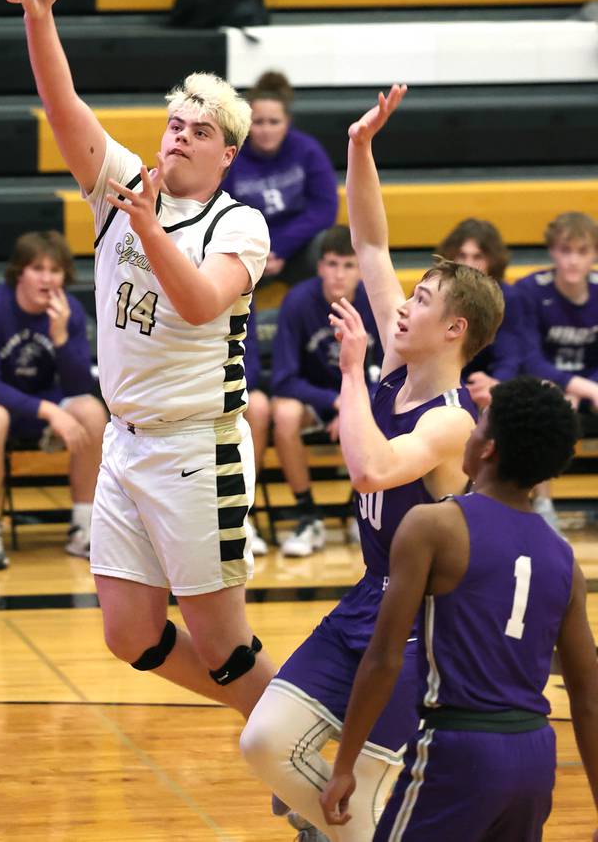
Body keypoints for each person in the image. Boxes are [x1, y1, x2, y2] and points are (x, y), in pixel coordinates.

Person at [0, 0, 277, 719]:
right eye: (174, 122)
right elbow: (65, 107)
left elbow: (197, 302)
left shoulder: (240, 223)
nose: (179, 135)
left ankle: (315, 760)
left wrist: (150, 227)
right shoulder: (123, 184)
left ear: (227, 152)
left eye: (199, 130)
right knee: (130, 635)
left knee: (224, 643)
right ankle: (277, 720)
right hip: (127, 442)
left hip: (198, 448)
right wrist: (41, 12)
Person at [239, 85, 505, 842]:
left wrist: (352, 372)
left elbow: (371, 470)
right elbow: (374, 246)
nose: (400, 302)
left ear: (452, 327)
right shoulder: (398, 355)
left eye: (419, 299)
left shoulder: (453, 419)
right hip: (368, 596)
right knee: (263, 742)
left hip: (424, 630)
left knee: (357, 800)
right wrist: (359, 148)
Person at [321, 376, 598, 842]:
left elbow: (384, 657)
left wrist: (345, 764)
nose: (469, 432)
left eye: (479, 424)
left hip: (458, 747)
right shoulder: (564, 559)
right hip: (535, 755)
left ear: (487, 449)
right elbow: (588, 700)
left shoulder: (433, 525)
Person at [0, 231, 107, 569]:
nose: (47, 278)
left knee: (91, 412)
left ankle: (84, 527)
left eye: (56, 270)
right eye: (37, 268)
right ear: (20, 272)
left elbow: (78, 386)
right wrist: (48, 411)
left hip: (34, 398)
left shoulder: (69, 311)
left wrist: (60, 337)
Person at [270, 225, 382, 558]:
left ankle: (361, 512)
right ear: (320, 267)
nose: (338, 274)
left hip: (362, 399)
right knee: (284, 414)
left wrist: (354, 407)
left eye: (348, 265)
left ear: (361, 269)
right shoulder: (298, 301)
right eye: (332, 264)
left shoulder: (375, 302)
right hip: (316, 399)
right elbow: (283, 379)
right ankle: (308, 514)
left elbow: (393, 373)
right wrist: (336, 403)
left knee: (390, 407)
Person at [515, 211, 598, 531]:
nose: (573, 261)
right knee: (550, 405)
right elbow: (529, 358)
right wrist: (578, 387)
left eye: (582, 251)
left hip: (588, 384)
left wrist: (586, 386)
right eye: (565, 250)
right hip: (543, 383)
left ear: (593, 254)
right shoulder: (530, 291)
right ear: (552, 251)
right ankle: (543, 502)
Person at [222, 71, 338, 282]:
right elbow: (223, 212)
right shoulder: (232, 156)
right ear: (246, 123)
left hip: (296, 249)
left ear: (287, 122)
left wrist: (280, 248)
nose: (266, 130)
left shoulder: (307, 150)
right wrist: (260, 250)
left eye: (274, 122)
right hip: (250, 251)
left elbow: (324, 209)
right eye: (259, 122)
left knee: (330, 246)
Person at [435, 218, 525, 408]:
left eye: (478, 257)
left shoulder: (508, 297)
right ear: (451, 256)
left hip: (484, 384)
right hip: (440, 384)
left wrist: (496, 383)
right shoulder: (431, 293)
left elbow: (510, 355)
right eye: (462, 255)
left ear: (493, 261)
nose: (468, 264)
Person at [243, 302, 272, 556]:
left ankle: (243, 512)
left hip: (228, 387)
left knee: (259, 405)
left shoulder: (240, 292)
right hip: (190, 390)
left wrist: (228, 391)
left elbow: (250, 361)